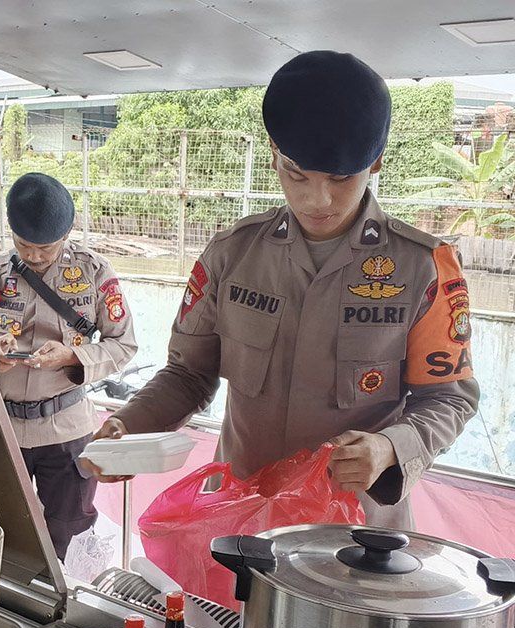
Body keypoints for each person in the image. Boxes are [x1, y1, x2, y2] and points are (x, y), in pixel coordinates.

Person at [89, 52, 479, 530]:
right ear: (274, 152)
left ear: (375, 161)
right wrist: (130, 427)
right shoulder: (232, 255)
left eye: (341, 179)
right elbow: (189, 374)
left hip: (352, 533)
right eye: (297, 174)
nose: (318, 200)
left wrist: (390, 447)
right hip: (239, 521)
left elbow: (448, 398)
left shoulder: (424, 268)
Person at [0, 173, 137, 560]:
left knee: (69, 534)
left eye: (46, 247)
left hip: (67, 432)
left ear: (67, 233)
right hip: (2, 432)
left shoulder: (94, 273)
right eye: (24, 245)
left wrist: (73, 356)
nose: (35, 256)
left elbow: (123, 344)